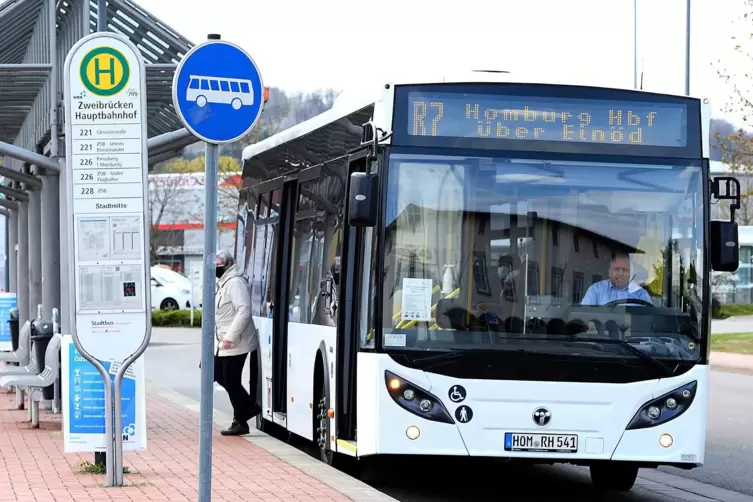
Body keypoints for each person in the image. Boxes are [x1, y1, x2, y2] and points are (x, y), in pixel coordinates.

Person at [214, 250, 260, 436]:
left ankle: (241, 417)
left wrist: (230, 337)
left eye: (218, 266)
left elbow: (244, 310)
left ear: (227, 265)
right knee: (219, 375)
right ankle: (246, 410)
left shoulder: (235, 283)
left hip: (236, 341)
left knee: (230, 379)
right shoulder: (223, 282)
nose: (215, 269)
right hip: (224, 342)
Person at [580, 252, 653, 306]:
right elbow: (584, 316)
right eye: (616, 269)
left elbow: (650, 318)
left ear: (631, 273)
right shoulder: (596, 290)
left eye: (625, 270)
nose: (620, 273)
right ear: (609, 272)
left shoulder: (641, 294)